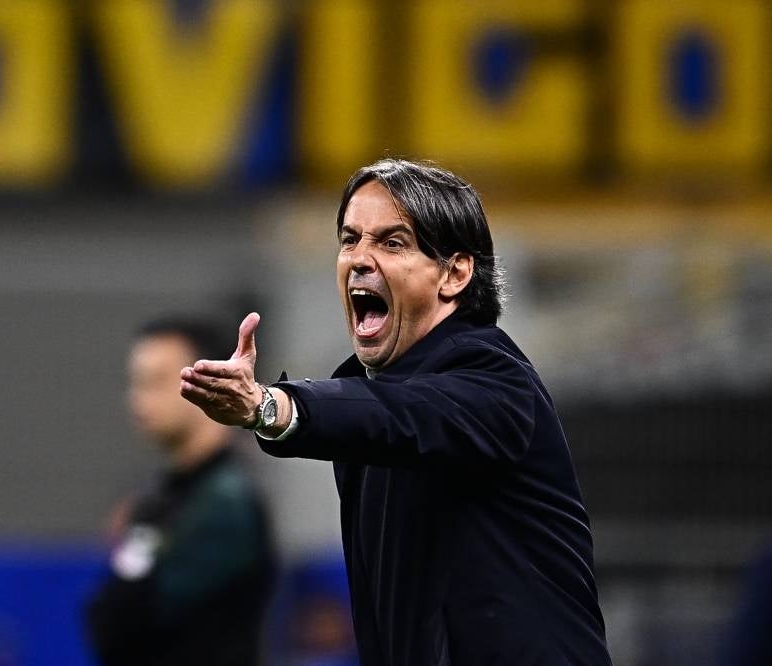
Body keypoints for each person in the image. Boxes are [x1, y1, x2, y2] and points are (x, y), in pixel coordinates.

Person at [179, 158, 612, 665]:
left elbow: (403, 414)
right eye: (349, 239)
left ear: (454, 272)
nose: (359, 259)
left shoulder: (496, 377)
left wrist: (268, 406)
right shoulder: (368, 398)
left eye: (391, 242)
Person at [85, 317, 277, 666]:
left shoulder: (226, 501)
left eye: (156, 381)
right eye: (135, 382)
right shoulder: (160, 496)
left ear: (208, 383)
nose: (138, 398)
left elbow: (126, 622)